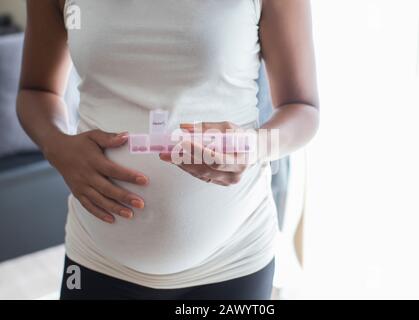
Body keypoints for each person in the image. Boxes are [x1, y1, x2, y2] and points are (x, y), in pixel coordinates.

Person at [17, 0, 319, 300]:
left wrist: (255, 146)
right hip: (97, 259)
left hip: (234, 260)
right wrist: (56, 145)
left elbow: (303, 108)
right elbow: (36, 90)